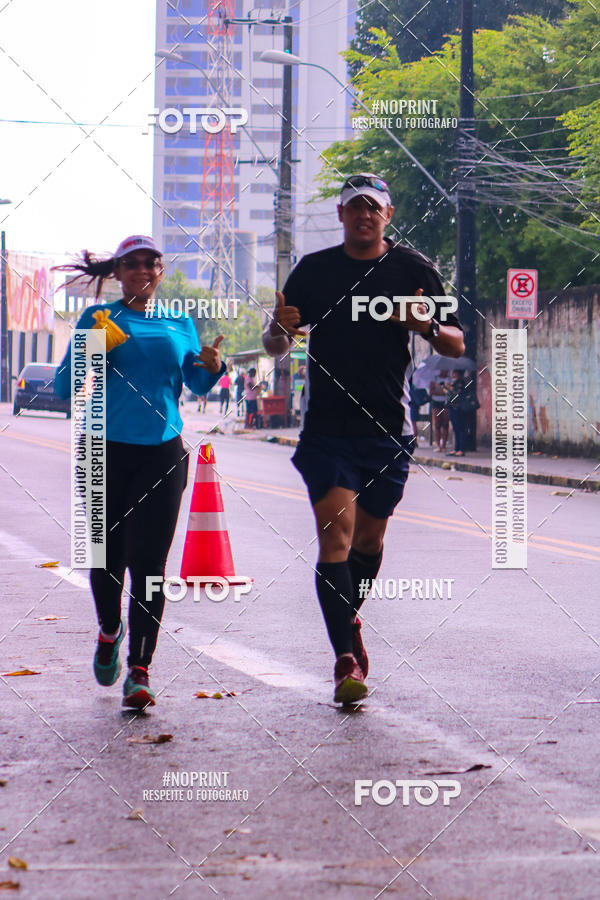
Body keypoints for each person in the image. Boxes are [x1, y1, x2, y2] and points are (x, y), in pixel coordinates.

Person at [263, 173, 464, 704]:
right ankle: (344, 661)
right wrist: (278, 331)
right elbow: (277, 344)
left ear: (387, 215)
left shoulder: (413, 269)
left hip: (387, 430)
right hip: (327, 429)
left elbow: (455, 339)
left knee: (369, 542)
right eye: (354, 206)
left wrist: (425, 326)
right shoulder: (315, 271)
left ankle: (348, 616)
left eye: (373, 207)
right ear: (341, 215)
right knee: (336, 537)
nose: (363, 215)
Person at [54, 235, 225, 709]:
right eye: (133, 263)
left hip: (162, 453)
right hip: (104, 450)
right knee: (104, 558)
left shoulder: (179, 322)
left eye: (152, 263)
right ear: (119, 271)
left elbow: (196, 381)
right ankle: (110, 630)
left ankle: (140, 671)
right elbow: (65, 385)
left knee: (149, 566)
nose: (142, 270)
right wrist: (94, 349)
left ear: (160, 271)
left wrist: (214, 366)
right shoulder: (98, 318)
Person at [444, 369, 469, 457]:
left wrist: (449, 389)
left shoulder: (461, 383)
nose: (453, 374)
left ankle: (461, 449)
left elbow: (457, 395)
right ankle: (456, 448)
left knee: (461, 428)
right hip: (452, 408)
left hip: (459, 408)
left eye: (454, 372)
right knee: (455, 429)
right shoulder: (453, 383)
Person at [429, 371, 450, 452]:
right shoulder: (434, 379)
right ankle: (438, 445)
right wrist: (442, 392)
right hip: (436, 402)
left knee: (445, 423)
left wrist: (444, 392)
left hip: (446, 403)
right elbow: (431, 392)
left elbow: (450, 391)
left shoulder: (449, 379)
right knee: (437, 424)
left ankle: (444, 445)